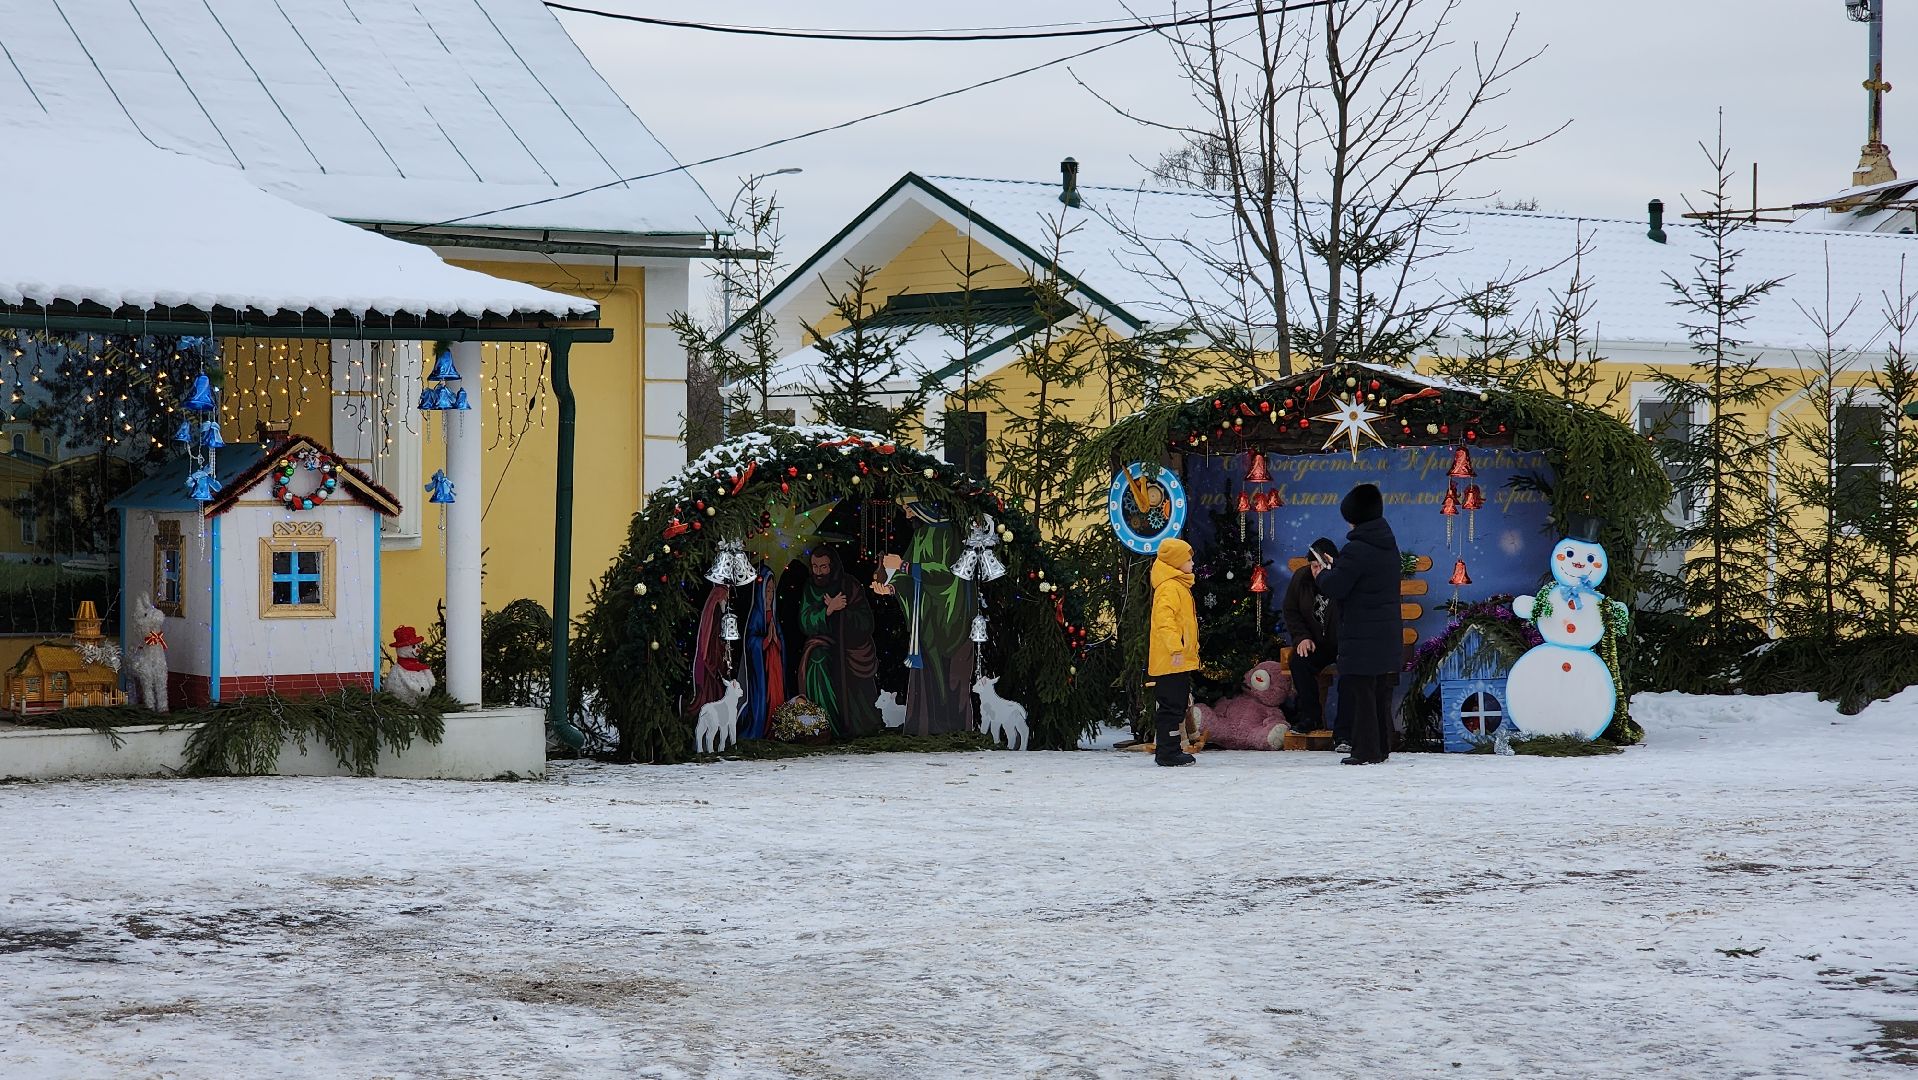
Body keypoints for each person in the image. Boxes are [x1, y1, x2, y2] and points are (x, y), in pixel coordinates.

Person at [1312, 483, 1402, 765]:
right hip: (1385, 633)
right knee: (1378, 692)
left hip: (1362, 633)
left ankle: (1365, 750)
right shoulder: (1388, 545)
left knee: (1361, 692)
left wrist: (1323, 573)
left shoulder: (1357, 550)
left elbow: (1337, 587)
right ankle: (1382, 746)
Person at [875, 498, 975, 735]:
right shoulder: (920, 535)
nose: (908, 516)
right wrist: (891, 588)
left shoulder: (950, 533)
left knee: (950, 676)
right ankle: (924, 727)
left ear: (924, 507)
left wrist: (904, 566)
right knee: (926, 673)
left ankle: (951, 730)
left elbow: (946, 572)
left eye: (910, 509)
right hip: (926, 617)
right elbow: (907, 575)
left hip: (950, 614)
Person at [798, 548, 883, 739]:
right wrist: (828, 611)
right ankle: (826, 726)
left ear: (832, 566)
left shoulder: (849, 585)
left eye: (823, 567)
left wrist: (842, 611)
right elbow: (805, 621)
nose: (818, 572)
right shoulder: (810, 587)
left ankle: (854, 727)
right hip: (822, 645)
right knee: (818, 660)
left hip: (850, 648)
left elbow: (866, 622)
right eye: (814, 567)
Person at [1282, 537, 1342, 741]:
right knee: (1299, 661)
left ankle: (1345, 728)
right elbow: (1291, 611)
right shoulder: (1302, 578)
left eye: (1320, 566)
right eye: (1313, 566)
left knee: (1351, 669)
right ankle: (1310, 717)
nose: (1316, 571)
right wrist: (1302, 637)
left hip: (1342, 641)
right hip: (1316, 641)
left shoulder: (1342, 579)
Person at [1147, 537, 1200, 767]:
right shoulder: (1169, 587)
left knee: (1178, 702)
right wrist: (1175, 649)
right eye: (1188, 559)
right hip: (1171, 660)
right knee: (1171, 704)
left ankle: (1172, 747)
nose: (1192, 563)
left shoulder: (1179, 585)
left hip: (1178, 660)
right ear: (1176, 563)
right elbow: (1165, 621)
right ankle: (1167, 752)